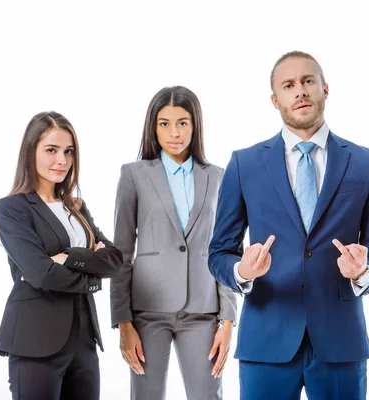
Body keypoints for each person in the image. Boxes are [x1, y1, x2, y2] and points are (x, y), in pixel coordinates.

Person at [208, 51, 369, 400]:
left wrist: (362, 274)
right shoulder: (244, 164)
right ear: (275, 99)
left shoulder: (367, 163)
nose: (301, 91)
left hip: (341, 343)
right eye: (289, 85)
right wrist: (243, 271)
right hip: (266, 341)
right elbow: (218, 252)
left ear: (325, 88)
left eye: (308, 81)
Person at [111, 86, 237, 400]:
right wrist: (123, 320)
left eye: (182, 122)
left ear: (195, 126)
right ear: (153, 128)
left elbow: (226, 250)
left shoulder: (218, 177)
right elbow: (121, 255)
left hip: (203, 310)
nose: (174, 132)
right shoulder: (134, 175)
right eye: (164, 123)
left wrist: (228, 319)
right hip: (147, 311)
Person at [0, 111, 123, 399]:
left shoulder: (76, 207)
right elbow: (41, 273)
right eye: (51, 150)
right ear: (31, 151)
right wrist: (91, 272)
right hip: (36, 340)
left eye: (68, 151)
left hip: (84, 340)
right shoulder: (12, 208)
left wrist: (68, 257)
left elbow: (115, 260)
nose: (61, 160)